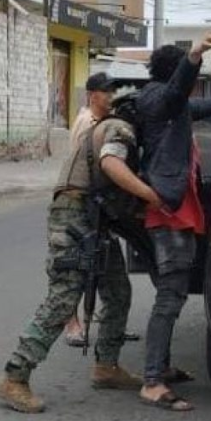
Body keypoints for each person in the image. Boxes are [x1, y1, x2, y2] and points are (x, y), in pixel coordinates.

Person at [0, 75, 164, 413]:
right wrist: (151, 196)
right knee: (64, 298)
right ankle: (15, 376)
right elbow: (111, 164)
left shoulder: (105, 126)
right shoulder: (120, 129)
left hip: (93, 222)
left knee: (118, 291)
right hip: (74, 219)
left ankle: (106, 366)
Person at [134, 29, 211, 411]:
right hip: (168, 213)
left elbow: (198, 106)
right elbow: (177, 94)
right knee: (170, 297)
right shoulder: (155, 98)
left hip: (181, 212)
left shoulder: (175, 107)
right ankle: (152, 381)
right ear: (174, 74)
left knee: (171, 295)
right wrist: (194, 55)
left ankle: (161, 367)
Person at [62, 74, 140, 348]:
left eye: (113, 92)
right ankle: (73, 323)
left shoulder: (101, 120)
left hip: (96, 202)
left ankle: (111, 324)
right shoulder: (89, 121)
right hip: (83, 200)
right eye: (106, 92)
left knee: (99, 265)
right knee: (80, 266)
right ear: (92, 95)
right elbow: (97, 162)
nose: (111, 97)